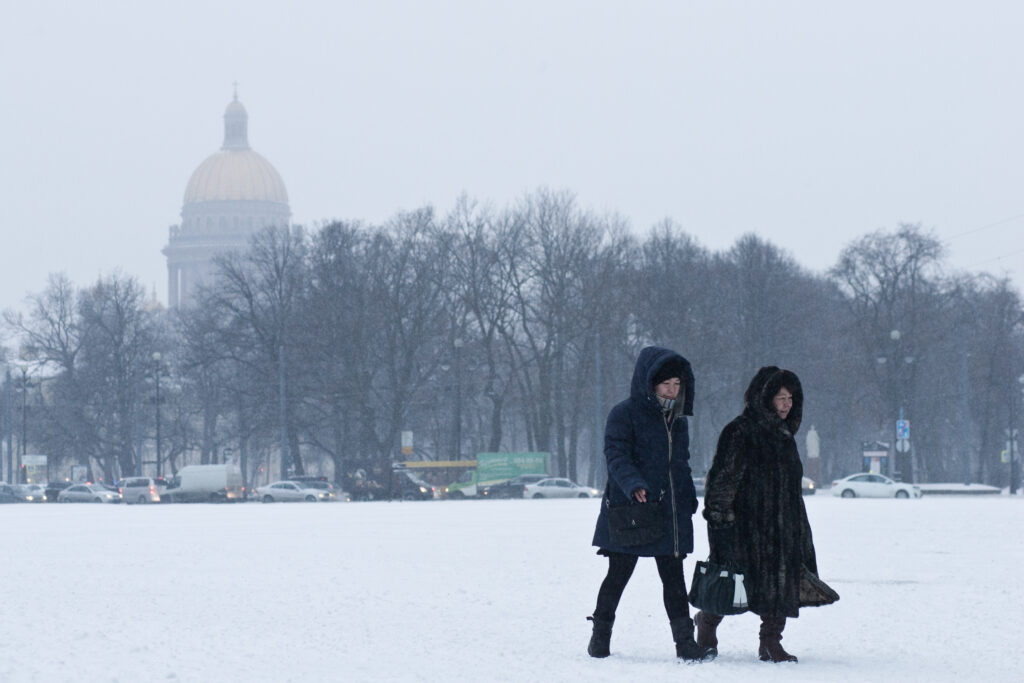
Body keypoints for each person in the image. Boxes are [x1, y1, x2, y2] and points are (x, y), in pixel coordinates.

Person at [588, 346, 716, 662]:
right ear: (650, 384)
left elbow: (681, 463)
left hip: (669, 511)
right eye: (666, 385)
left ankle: (685, 644)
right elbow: (615, 455)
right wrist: (633, 484)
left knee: (674, 578)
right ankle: (599, 638)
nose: (672, 391)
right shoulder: (623, 414)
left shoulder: (678, 421)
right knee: (618, 574)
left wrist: (687, 497)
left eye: (677, 385)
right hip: (631, 509)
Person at [696, 366, 820, 663]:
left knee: (780, 582)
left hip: (783, 524)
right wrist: (720, 519)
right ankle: (706, 623)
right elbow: (723, 479)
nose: (786, 404)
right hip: (745, 525)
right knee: (733, 580)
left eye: (790, 398)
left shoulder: (785, 435)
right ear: (764, 398)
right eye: (780, 397)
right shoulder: (740, 431)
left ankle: (770, 642)